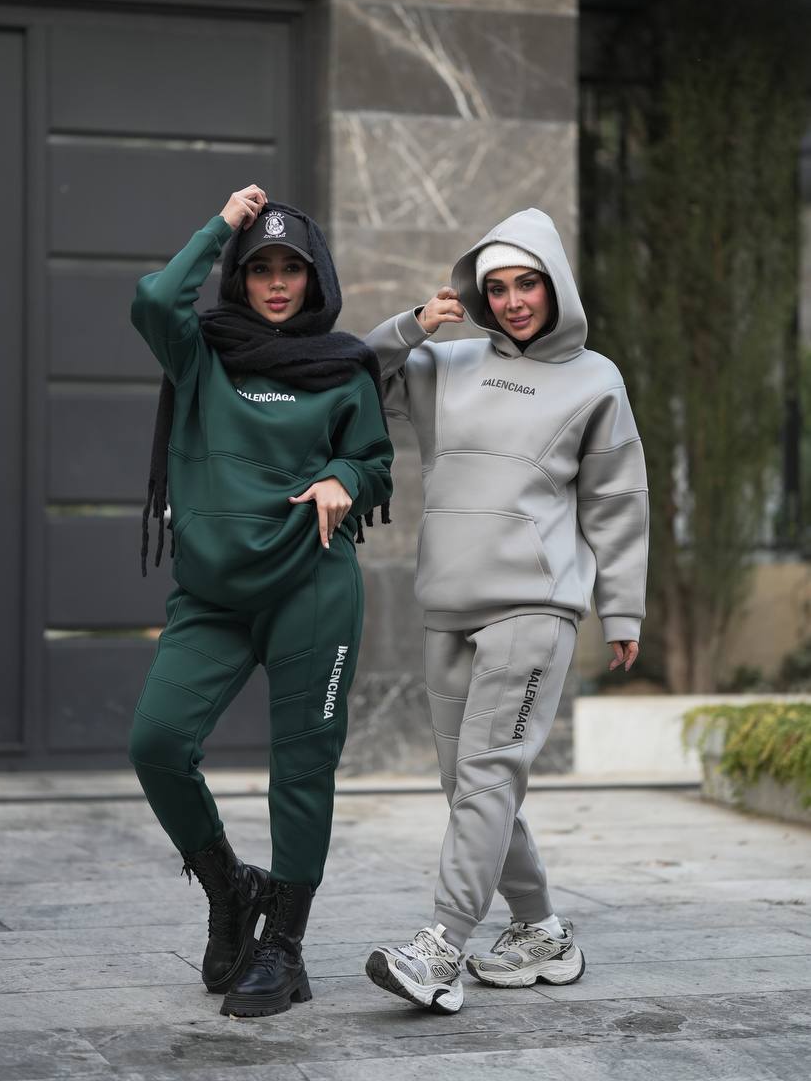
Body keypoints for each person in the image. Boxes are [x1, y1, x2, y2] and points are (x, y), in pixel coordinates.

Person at [363, 207, 648, 1014]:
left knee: (486, 775)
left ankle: (440, 948)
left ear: (554, 287)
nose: (514, 300)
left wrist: (621, 610)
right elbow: (352, 379)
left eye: (528, 283)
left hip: (533, 605)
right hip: (446, 603)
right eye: (498, 287)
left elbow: (617, 501)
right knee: (469, 786)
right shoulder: (444, 364)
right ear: (477, 295)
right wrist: (410, 327)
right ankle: (541, 930)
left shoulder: (595, 379)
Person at [128, 185, 393, 1019]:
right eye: (260, 268)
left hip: (312, 585)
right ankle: (229, 887)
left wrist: (342, 476)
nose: (277, 283)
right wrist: (223, 224)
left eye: (292, 269)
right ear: (238, 277)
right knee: (157, 742)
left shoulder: (343, 368)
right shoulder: (199, 354)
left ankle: (284, 944)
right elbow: (153, 299)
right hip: (212, 594)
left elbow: (375, 462)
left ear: (315, 280)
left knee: (302, 767)